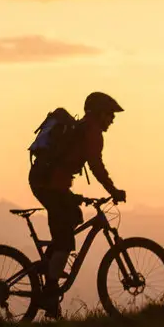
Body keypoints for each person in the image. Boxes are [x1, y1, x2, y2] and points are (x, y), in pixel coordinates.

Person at [28, 91, 128, 315]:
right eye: (110, 114)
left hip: (49, 184)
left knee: (73, 217)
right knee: (65, 242)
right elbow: (96, 166)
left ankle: (48, 266)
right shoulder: (91, 131)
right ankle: (50, 291)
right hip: (48, 185)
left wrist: (75, 196)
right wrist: (114, 190)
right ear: (99, 113)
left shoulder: (83, 128)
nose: (112, 119)